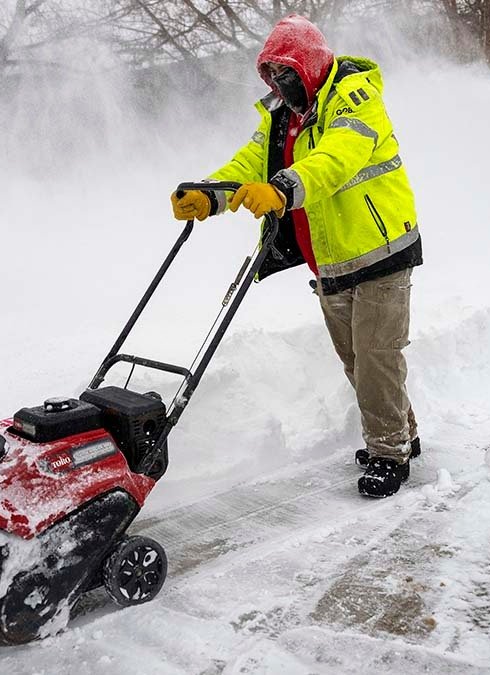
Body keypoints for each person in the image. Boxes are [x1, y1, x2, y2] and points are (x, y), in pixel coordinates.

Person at [170, 15, 424, 498]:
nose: (280, 85)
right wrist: (211, 194)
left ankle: (390, 453)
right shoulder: (281, 116)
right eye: (272, 77)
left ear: (308, 65)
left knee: (376, 360)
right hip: (329, 261)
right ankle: (402, 434)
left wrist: (284, 188)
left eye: (287, 74)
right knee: (358, 362)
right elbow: (250, 164)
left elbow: (337, 157)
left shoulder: (355, 98)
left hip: (380, 250)